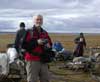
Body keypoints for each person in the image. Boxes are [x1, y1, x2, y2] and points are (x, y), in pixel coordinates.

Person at [22, 15, 52, 82]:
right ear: (33, 21)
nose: (39, 21)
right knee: (32, 80)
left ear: (42, 21)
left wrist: (47, 45)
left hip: (43, 60)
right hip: (32, 60)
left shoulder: (45, 33)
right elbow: (23, 46)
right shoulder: (29, 32)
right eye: (37, 19)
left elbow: (50, 44)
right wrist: (36, 42)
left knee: (46, 79)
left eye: (40, 19)